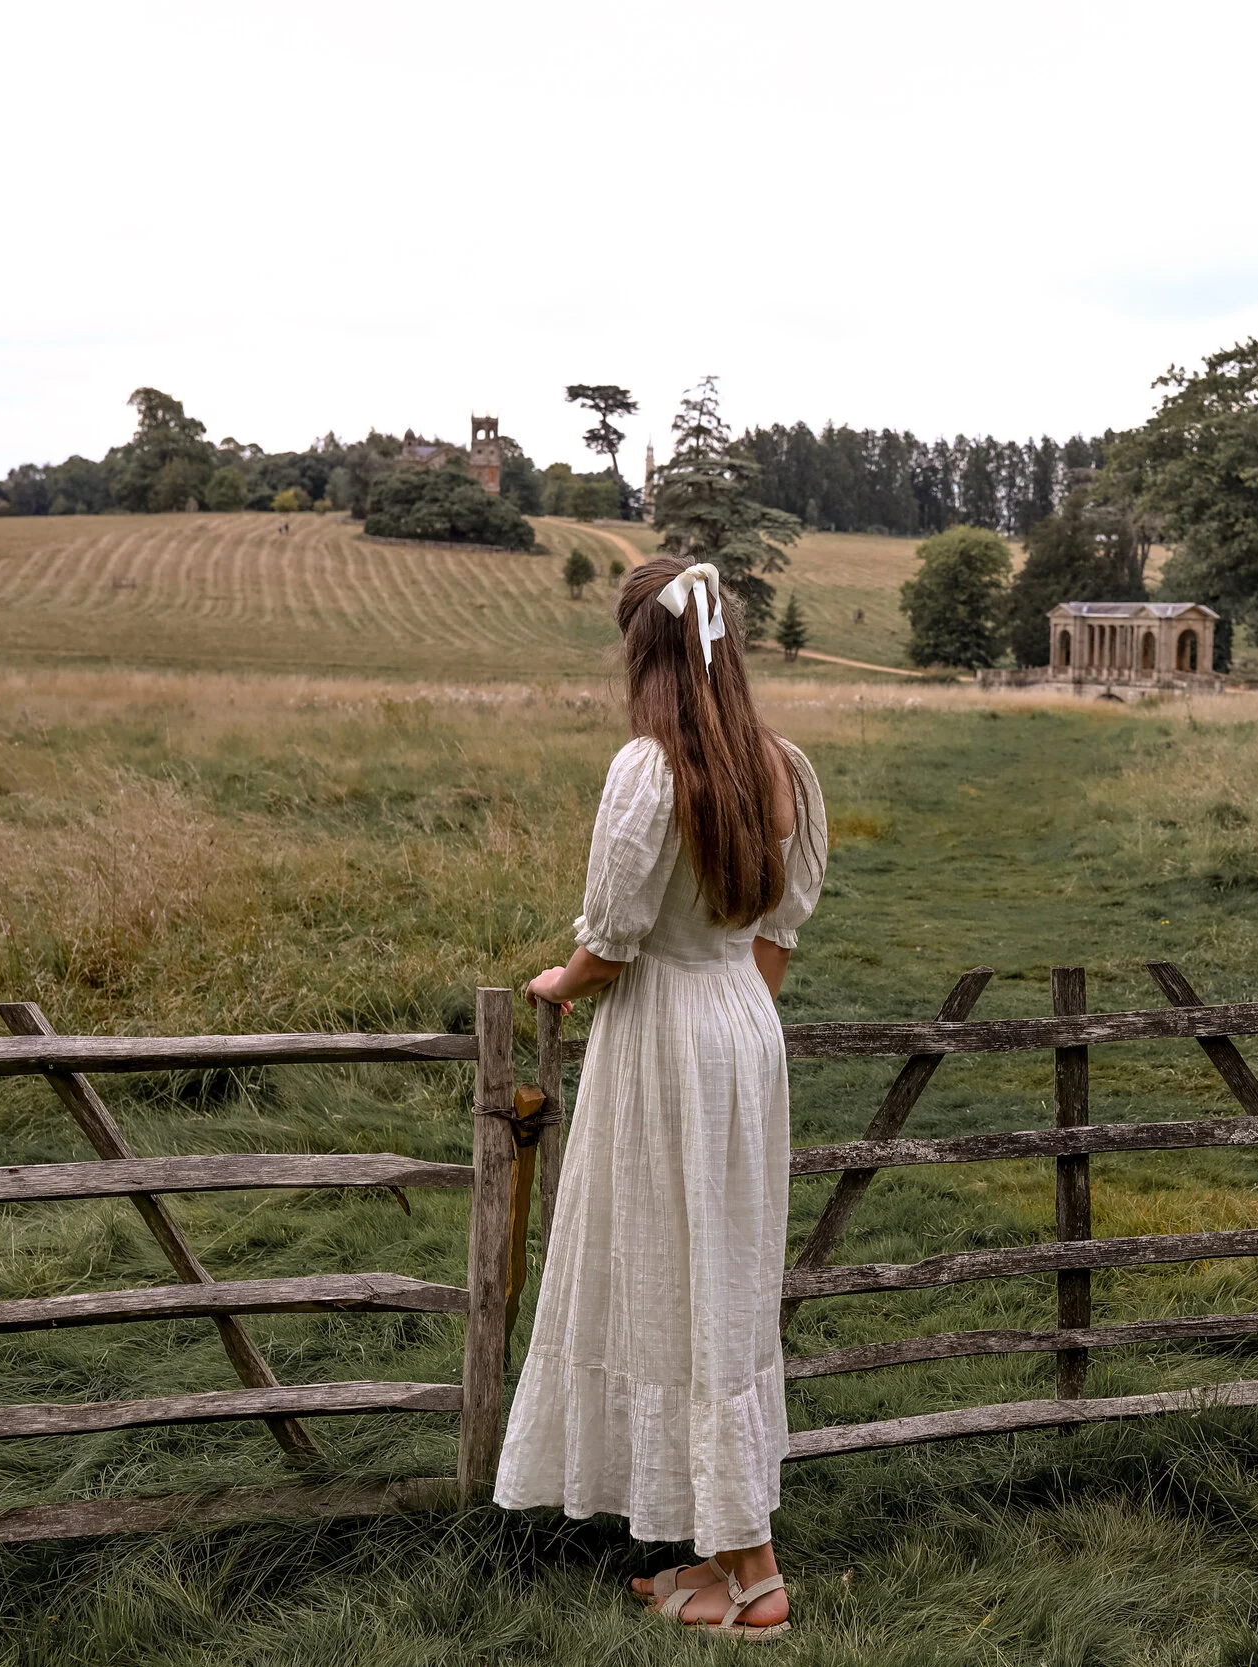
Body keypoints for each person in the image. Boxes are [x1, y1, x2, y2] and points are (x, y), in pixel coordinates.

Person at [498, 558, 827, 1644]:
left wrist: (564, 982)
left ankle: (757, 1576)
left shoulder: (650, 766)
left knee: (674, 1274)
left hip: (665, 1036)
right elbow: (774, 937)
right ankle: (720, 1547)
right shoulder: (779, 765)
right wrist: (735, 1011)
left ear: (645, 654)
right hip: (741, 1031)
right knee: (716, 1279)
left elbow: (612, 934)